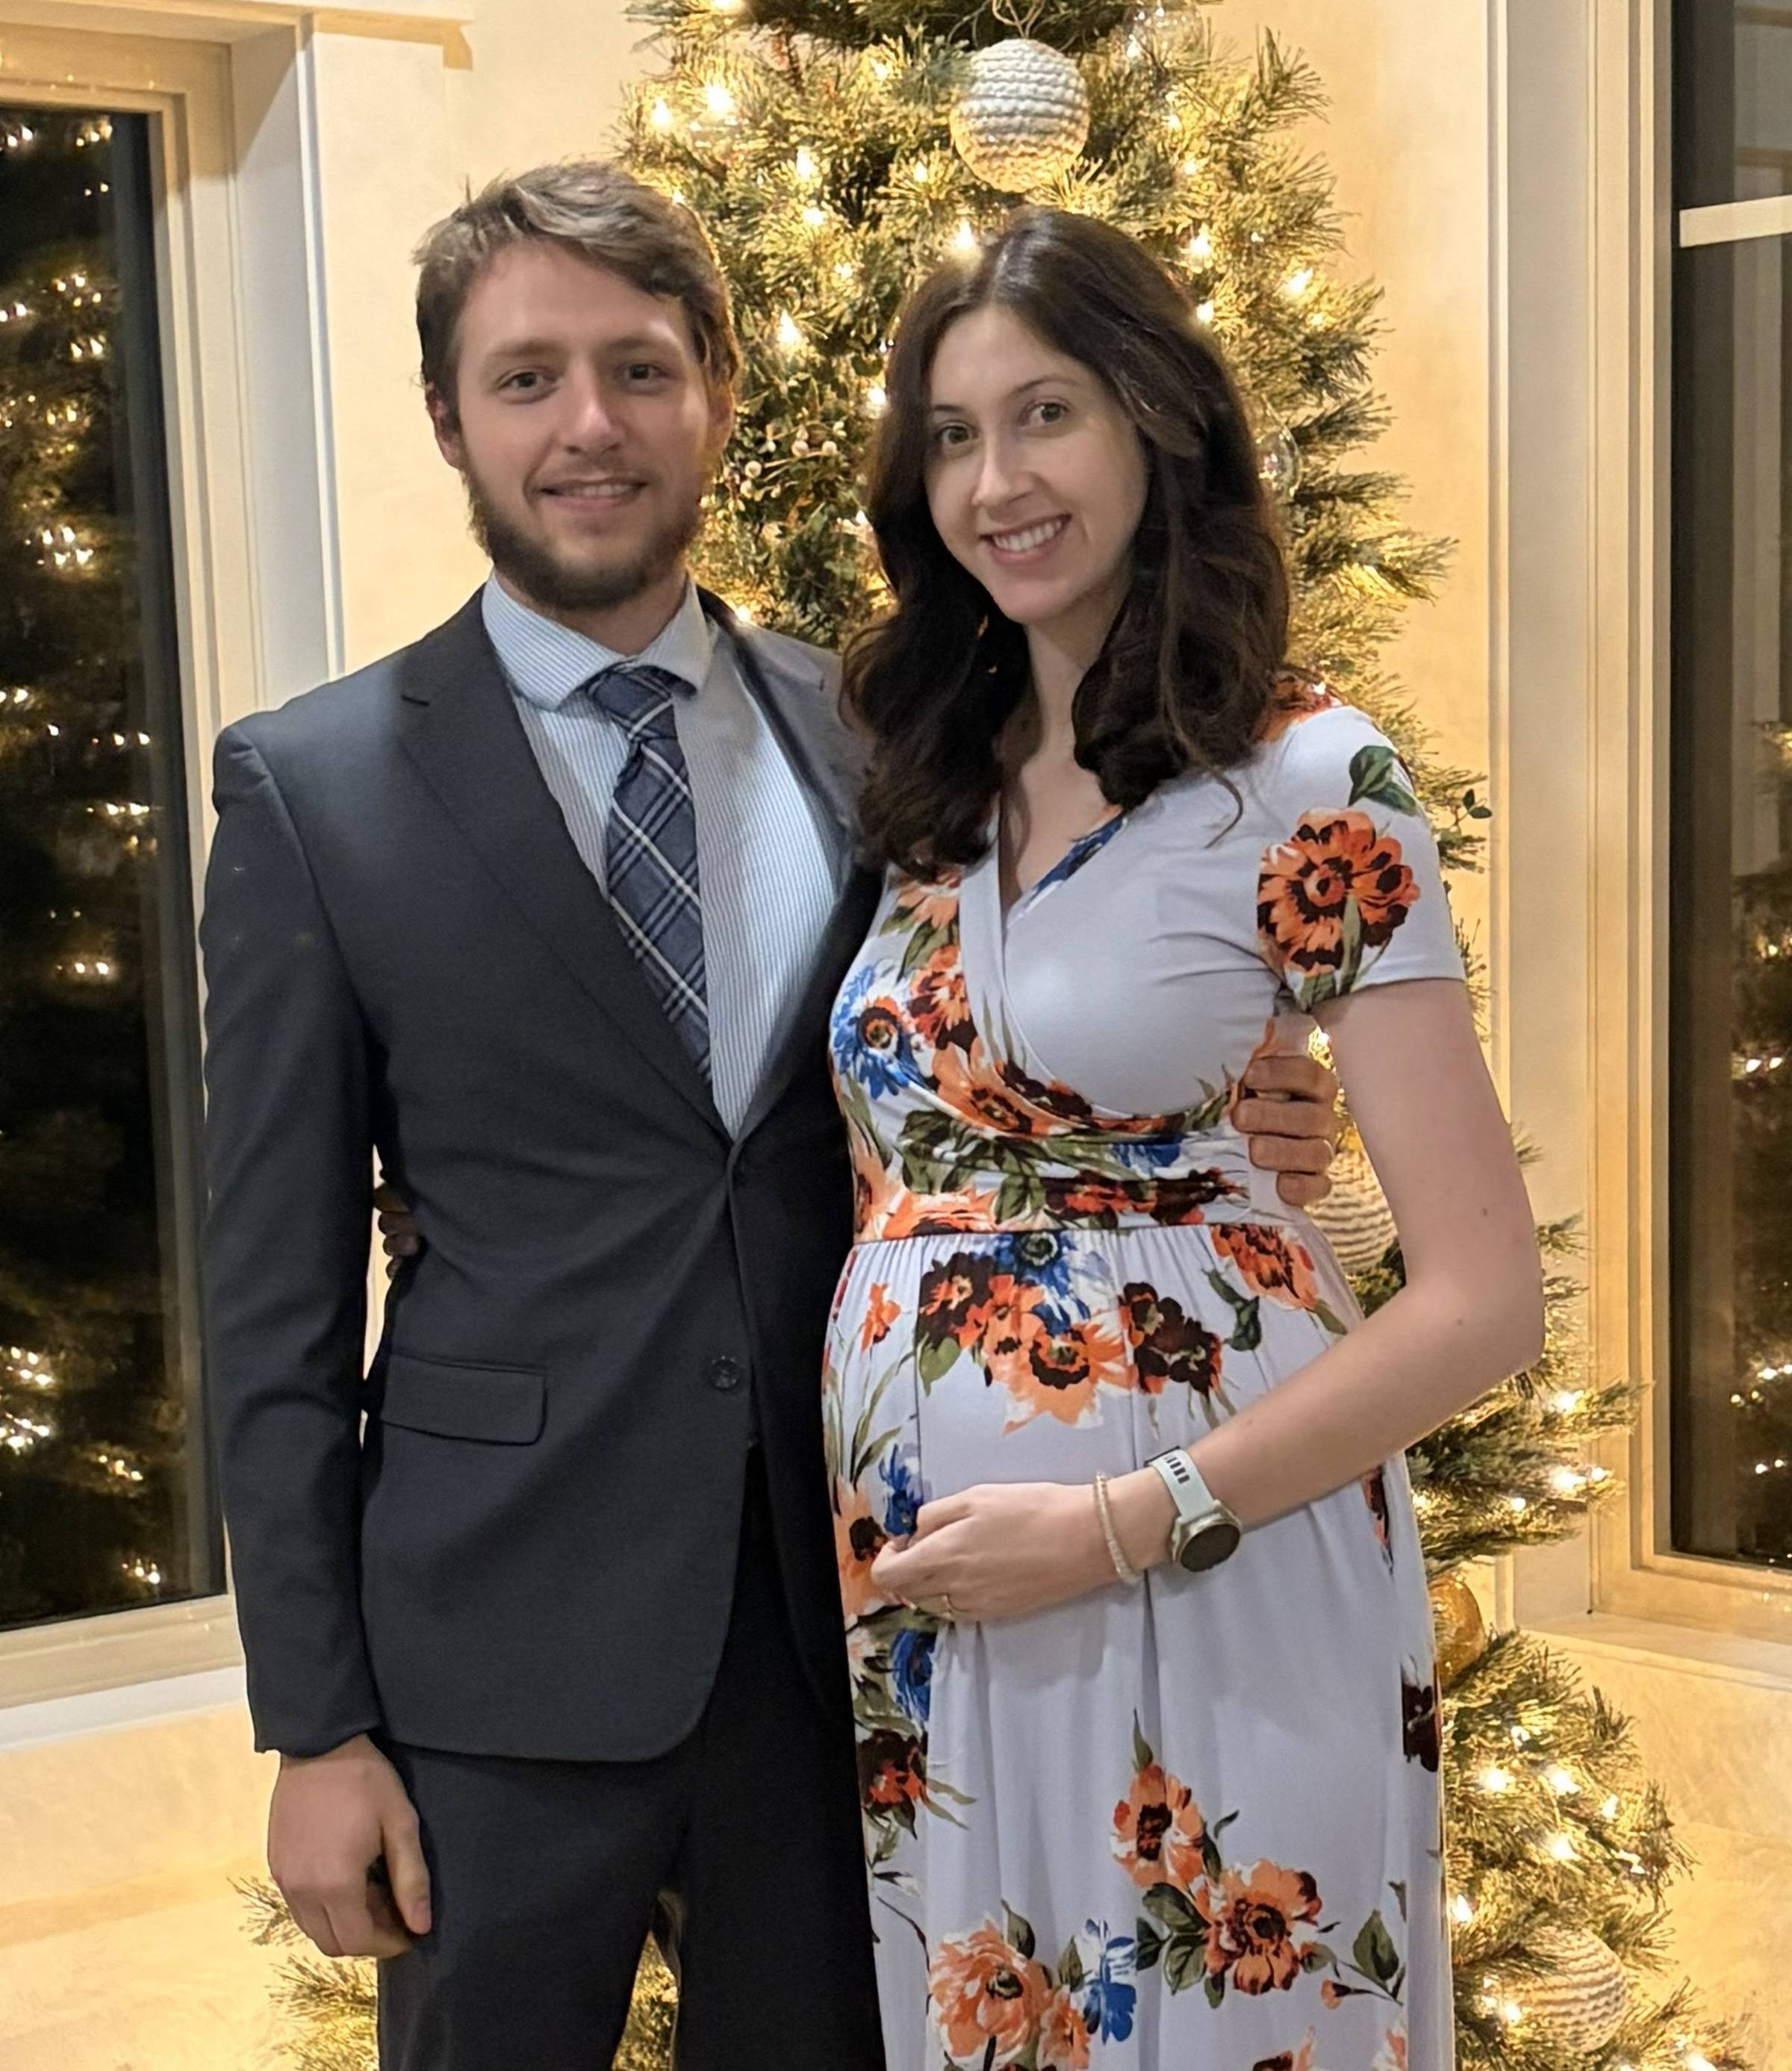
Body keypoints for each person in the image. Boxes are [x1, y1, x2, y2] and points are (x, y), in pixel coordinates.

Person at [199, 161, 1340, 2071]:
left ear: (719, 392)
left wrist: (1246, 1103)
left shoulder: (892, 731)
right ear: (451, 421)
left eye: (640, 369)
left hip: (851, 1630)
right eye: (528, 378)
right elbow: (272, 1311)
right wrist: (315, 1728)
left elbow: (1005, 1051)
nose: (589, 424)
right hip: (494, 1653)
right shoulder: (318, 793)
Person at [822, 208, 1544, 2071]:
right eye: (955, 436)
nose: (998, 481)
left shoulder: (1308, 776)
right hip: (945, 1615)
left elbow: (1485, 1298)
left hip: (1211, 1568)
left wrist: (1119, 1522)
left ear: (1157, 425)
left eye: (1046, 414)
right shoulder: (927, 778)